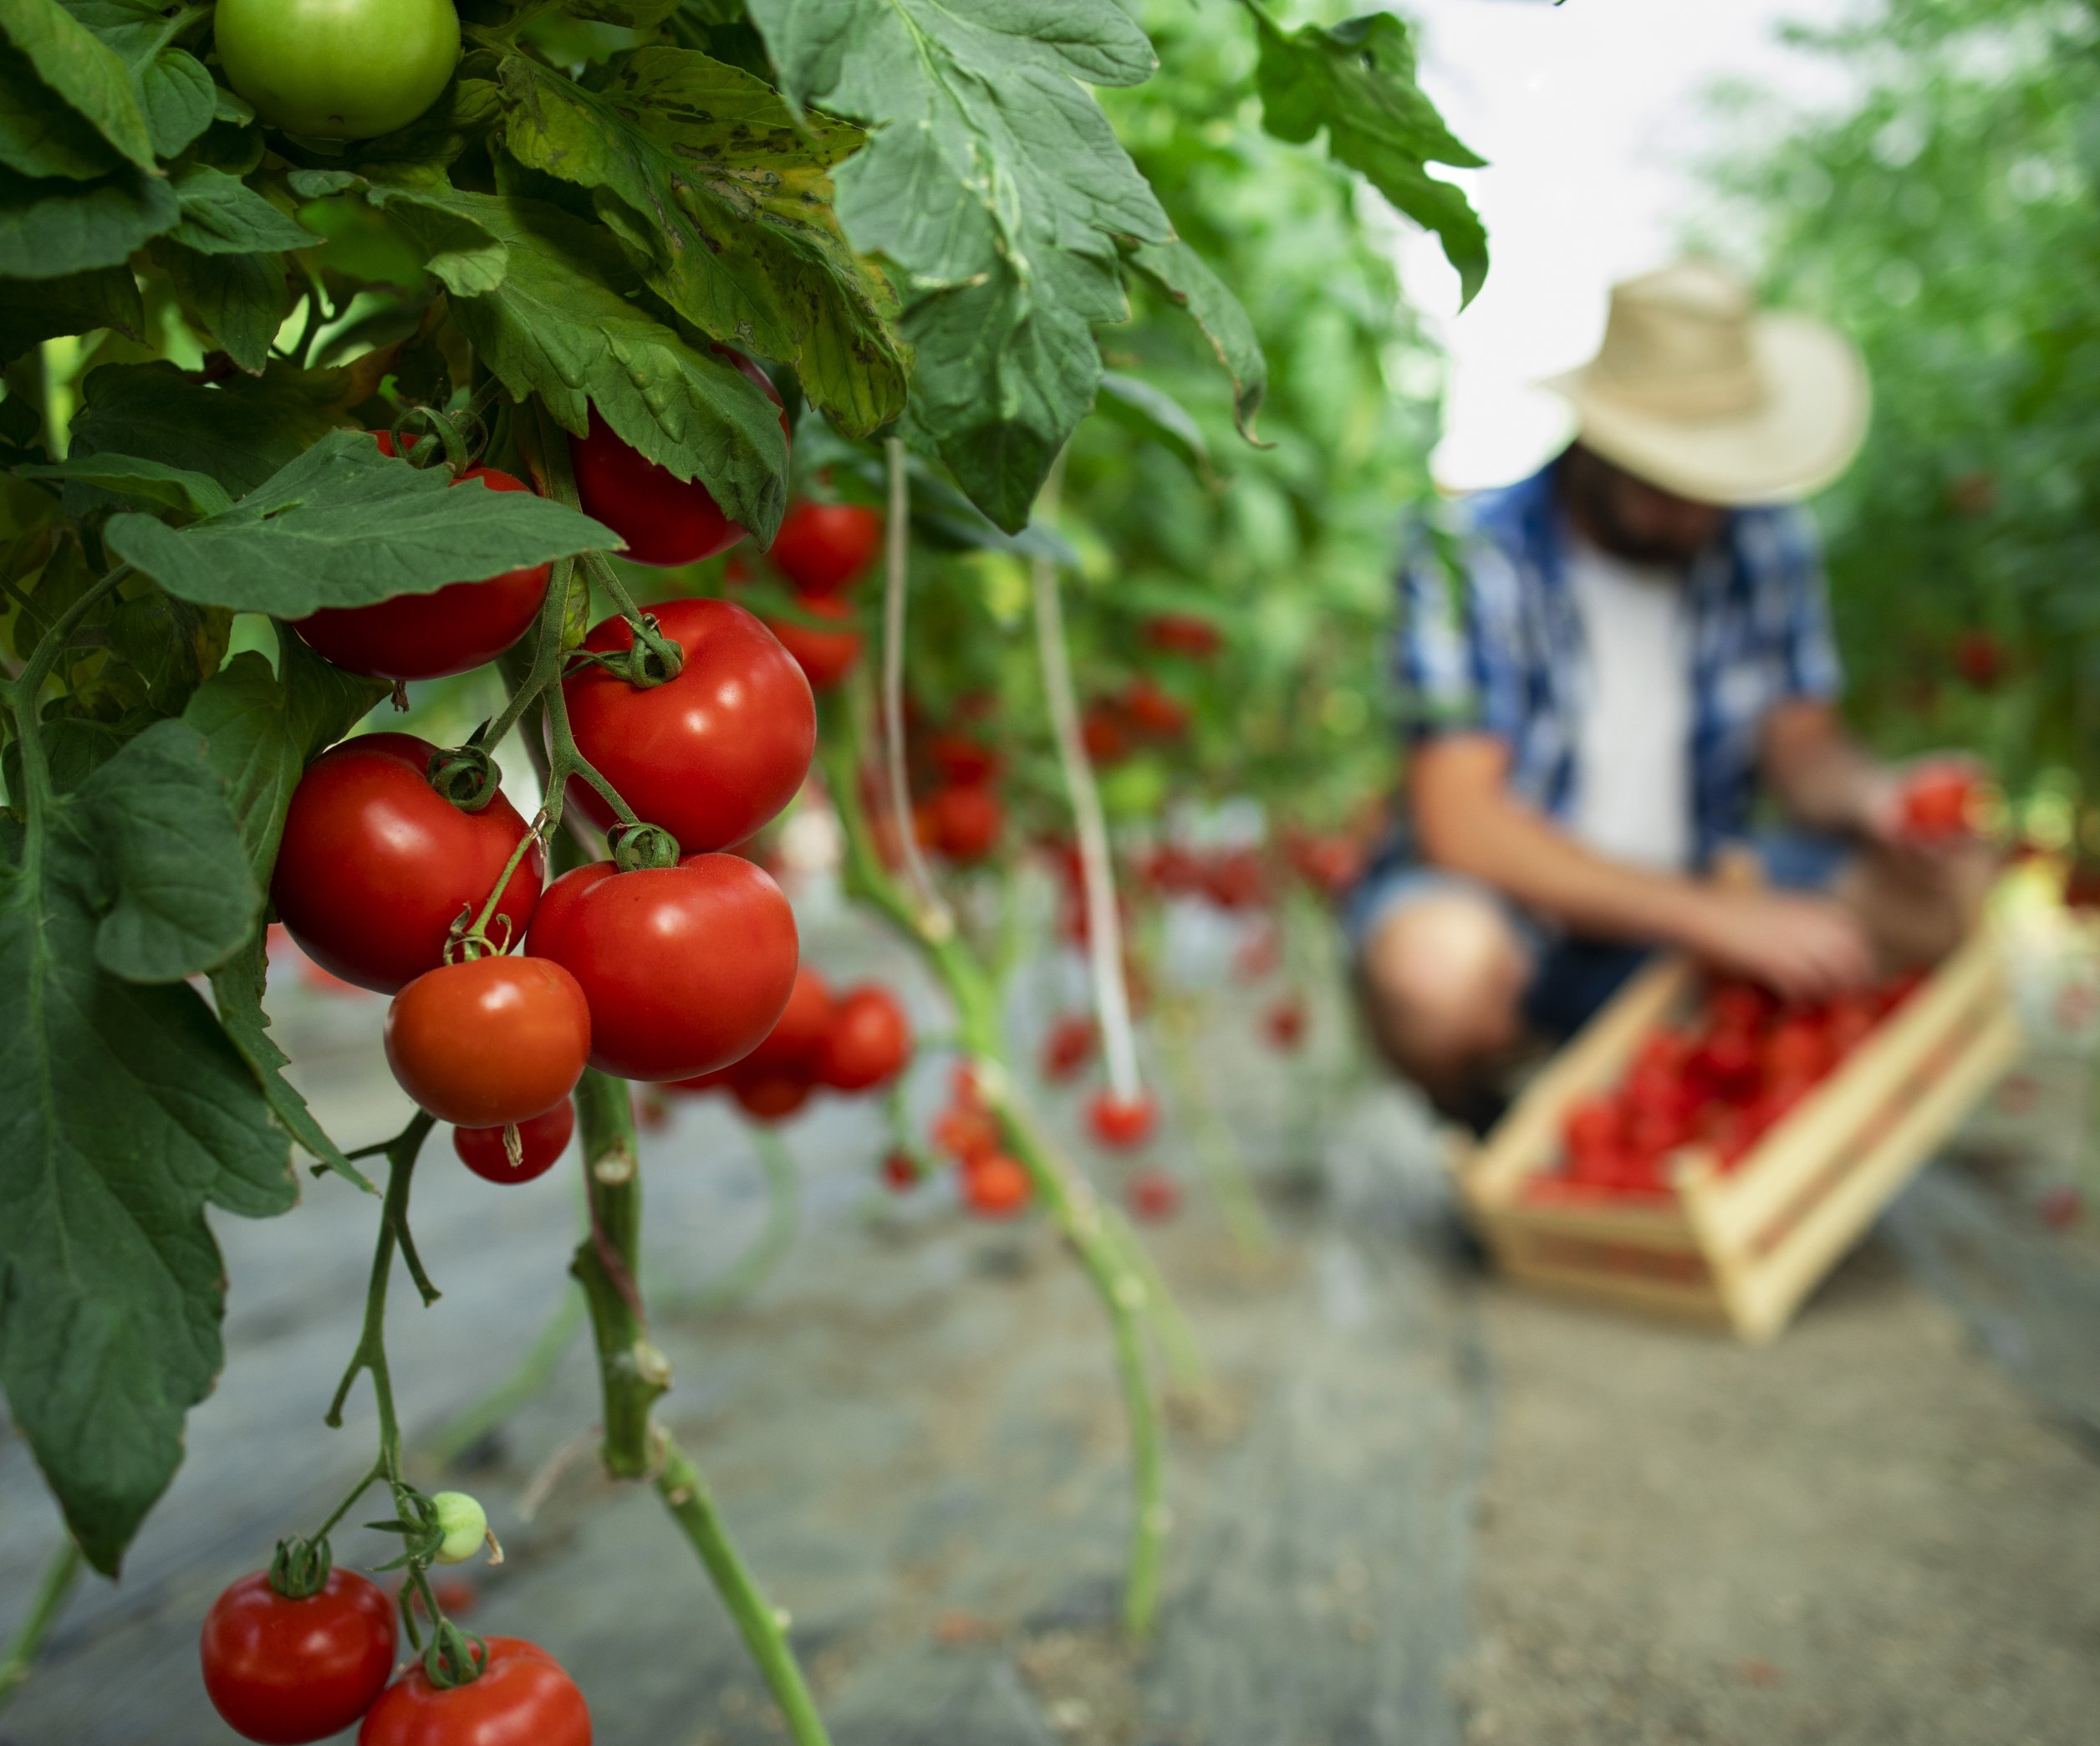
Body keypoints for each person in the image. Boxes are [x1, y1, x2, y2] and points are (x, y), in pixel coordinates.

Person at [1352, 261, 1990, 1124]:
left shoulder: (1761, 540)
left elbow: (1803, 750)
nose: (1698, 513)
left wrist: (1876, 797)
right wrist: (1716, 920)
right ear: (1599, 443)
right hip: (1526, 920)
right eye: (1668, 482)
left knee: (1951, 892)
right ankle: (1497, 1121)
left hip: (1703, 887)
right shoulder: (1468, 553)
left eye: (1715, 483)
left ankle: (1721, 1090)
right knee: (1432, 972)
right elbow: (1461, 823)